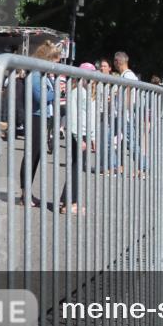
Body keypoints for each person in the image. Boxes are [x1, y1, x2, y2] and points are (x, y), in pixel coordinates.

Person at [20, 40, 61, 207]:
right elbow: (40, 97)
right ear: (47, 58)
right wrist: (55, 92)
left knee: (35, 154)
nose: (56, 64)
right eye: (55, 60)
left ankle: (27, 192)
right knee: (32, 154)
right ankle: (24, 193)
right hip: (35, 116)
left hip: (40, 116)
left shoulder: (41, 74)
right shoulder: (36, 74)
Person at [60, 62, 97, 214]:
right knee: (75, 167)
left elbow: (90, 116)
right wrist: (79, 138)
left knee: (77, 167)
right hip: (78, 133)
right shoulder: (77, 92)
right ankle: (69, 202)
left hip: (83, 134)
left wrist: (92, 137)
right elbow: (74, 118)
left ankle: (67, 200)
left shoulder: (84, 91)